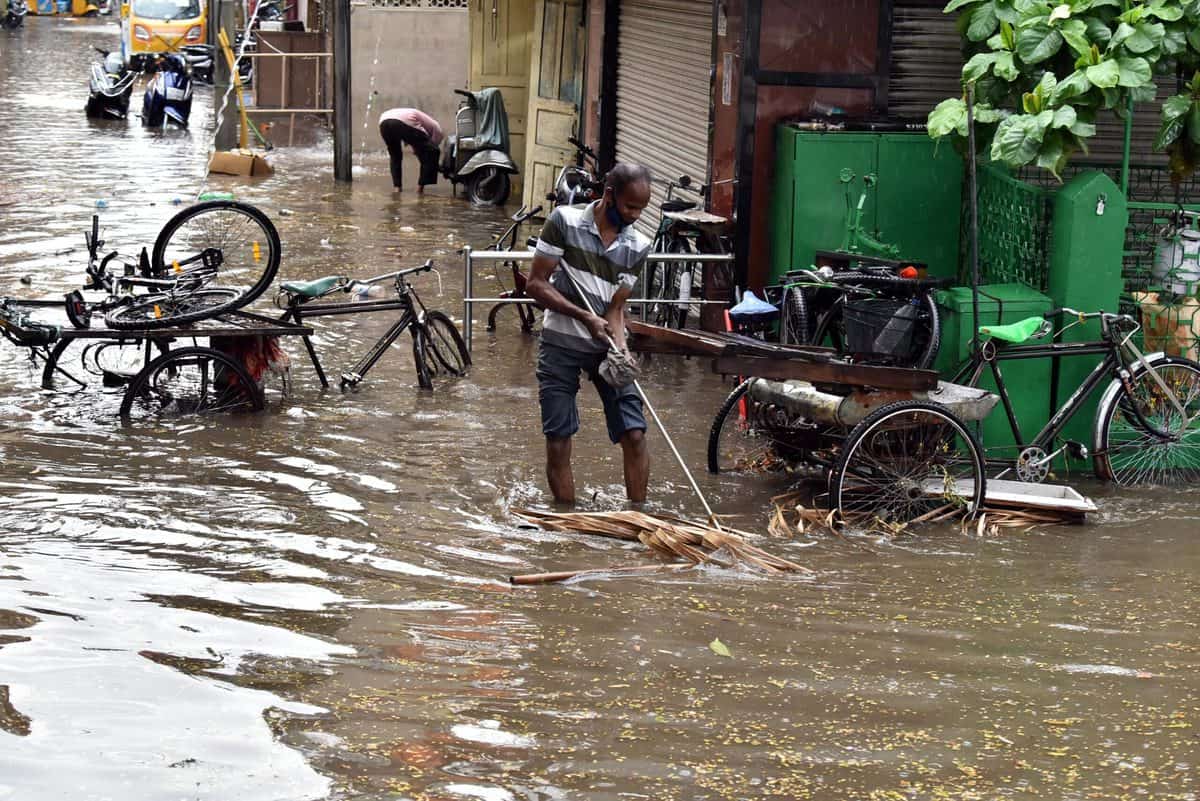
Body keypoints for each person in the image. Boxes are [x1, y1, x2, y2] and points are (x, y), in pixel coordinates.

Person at [526, 163, 654, 505]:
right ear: (609, 195)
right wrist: (584, 317)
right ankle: (569, 521)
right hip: (560, 344)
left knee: (635, 433)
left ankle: (637, 519)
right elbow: (536, 284)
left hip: (604, 347)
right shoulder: (564, 222)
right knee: (558, 438)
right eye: (630, 207)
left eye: (641, 209)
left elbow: (615, 308)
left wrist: (621, 349)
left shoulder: (638, 246)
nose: (635, 215)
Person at [378, 107, 444, 194]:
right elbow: (431, 150)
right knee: (434, 151)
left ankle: (397, 188)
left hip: (384, 122)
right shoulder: (437, 130)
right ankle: (420, 189)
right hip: (404, 121)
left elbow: (414, 141)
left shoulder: (423, 124)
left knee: (395, 156)